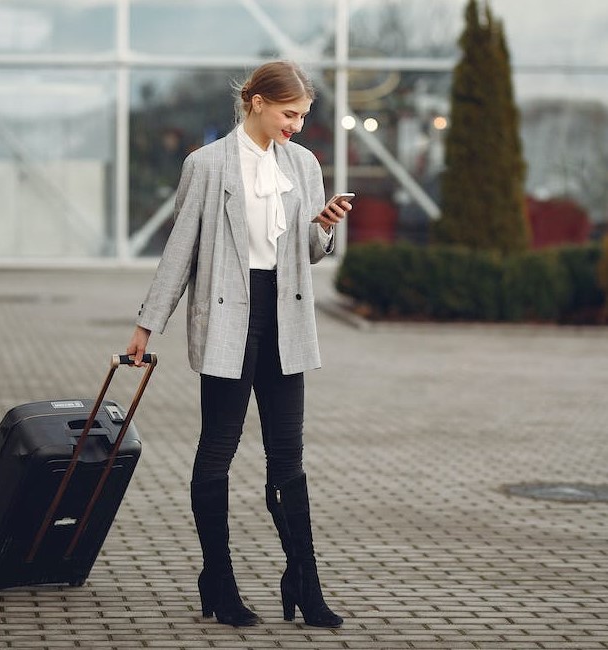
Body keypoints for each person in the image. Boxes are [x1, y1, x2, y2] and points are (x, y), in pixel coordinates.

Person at [126, 61, 351, 628]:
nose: (296, 126)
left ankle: (304, 581)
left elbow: (310, 253)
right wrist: (146, 325)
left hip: (286, 318)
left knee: (288, 459)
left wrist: (323, 226)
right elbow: (179, 251)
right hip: (229, 315)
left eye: (302, 116)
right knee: (217, 452)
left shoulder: (303, 165)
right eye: (288, 113)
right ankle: (218, 581)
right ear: (255, 101)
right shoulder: (206, 165)